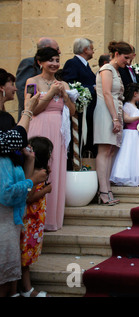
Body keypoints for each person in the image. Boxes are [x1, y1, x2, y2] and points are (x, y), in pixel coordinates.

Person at [25, 47, 76, 231]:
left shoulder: (64, 84)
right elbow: (31, 109)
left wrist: (63, 94)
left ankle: (52, 219)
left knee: (55, 170)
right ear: (40, 62)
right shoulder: (32, 81)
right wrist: (50, 95)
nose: (54, 64)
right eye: (50, 60)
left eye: (57, 60)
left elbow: (72, 111)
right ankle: (33, 216)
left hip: (59, 131)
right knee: (38, 168)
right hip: (39, 128)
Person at [0, 111, 48, 297]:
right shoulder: (2, 160)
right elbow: (7, 193)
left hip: (12, 222)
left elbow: (24, 187)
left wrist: (30, 161)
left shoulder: (9, 157)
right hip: (3, 223)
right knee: (3, 280)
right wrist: (33, 180)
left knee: (11, 278)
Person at [94, 41, 134, 206]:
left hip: (114, 112)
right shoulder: (107, 69)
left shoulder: (116, 70)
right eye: (126, 58)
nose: (128, 62)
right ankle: (103, 191)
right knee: (104, 150)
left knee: (111, 151)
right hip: (106, 113)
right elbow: (106, 93)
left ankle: (107, 188)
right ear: (116, 54)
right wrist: (115, 118)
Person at [20, 136, 53, 297]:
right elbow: (29, 197)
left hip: (36, 220)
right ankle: (27, 289)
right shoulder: (33, 173)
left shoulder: (40, 171)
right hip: (29, 219)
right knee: (25, 256)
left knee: (29, 253)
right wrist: (45, 190)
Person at [110, 83, 139, 187]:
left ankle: (135, 176)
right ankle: (124, 176)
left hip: (137, 134)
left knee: (136, 155)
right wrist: (138, 119)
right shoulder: (127, 105)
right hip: (130, 134)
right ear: (135, 94)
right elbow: (126, 119)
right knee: (127, 154)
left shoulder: (136, 107)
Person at [62, 38, 98, 164]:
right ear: (85, 49)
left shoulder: (85, 65)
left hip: (89, 109)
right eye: (92, 48)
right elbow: (70, 84)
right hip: (79, 110)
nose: (93, 52)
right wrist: (92, 88)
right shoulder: (72, 63)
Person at [15, 38, 60, 120]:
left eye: (57, 61)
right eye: (57, 49)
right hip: (33, 118)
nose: (59, 51)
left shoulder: (57, 78)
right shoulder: (29, 63)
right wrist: (28, 112)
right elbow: (23, 92)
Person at [0, 69, 40, 153]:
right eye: (12, 84)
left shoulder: (6, 116)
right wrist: (28, 109)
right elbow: (18, 138)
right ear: (1, 87)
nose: (15, 89)